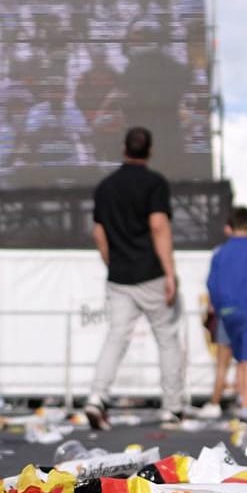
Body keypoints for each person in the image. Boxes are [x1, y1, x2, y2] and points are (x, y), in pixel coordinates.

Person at [85, 127, 192, 427]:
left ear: (124, 148)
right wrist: (170, 273)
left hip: (119, 276)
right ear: (150, 150)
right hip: (151, 274)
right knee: (167, 339)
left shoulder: (105, 187)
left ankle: (97, 397)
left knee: (116, 337)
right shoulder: (154, 184)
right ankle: (172, 407)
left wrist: (113, 263)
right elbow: (159, 226)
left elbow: (98, 233)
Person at [204, 206, 247, 413]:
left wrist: (219, 309)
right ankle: (246, 406)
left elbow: (212, 284)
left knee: (232, 359)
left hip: (226, 313)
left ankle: (229, 402)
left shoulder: (219, 253)